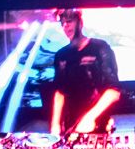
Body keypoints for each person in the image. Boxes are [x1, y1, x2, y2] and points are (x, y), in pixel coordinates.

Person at [50, 8, 120, 136]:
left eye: (69, 21)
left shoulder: (100, 47)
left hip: (99, 123)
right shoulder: (61, 55)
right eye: (63, 23)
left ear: (80, 23)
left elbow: (113, 91)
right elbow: (60, 92)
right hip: (71, 126)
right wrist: (55, 125)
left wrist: (90, 117)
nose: (66, 26)